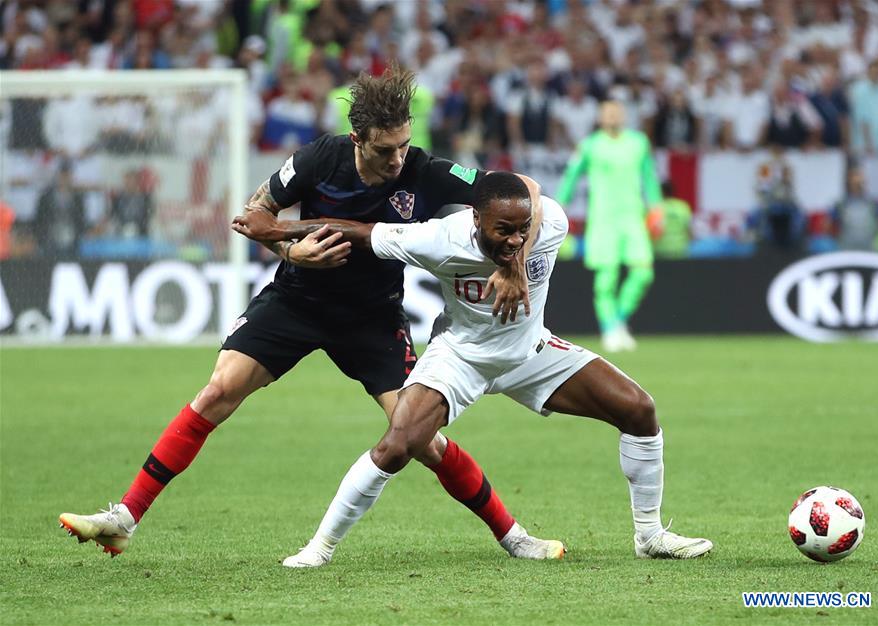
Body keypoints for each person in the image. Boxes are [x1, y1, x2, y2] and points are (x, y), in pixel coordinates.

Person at [59, 67, 562, 562]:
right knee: (217, 391)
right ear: (356, 139)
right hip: (298, 300)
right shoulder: (320, 159)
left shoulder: (424, 170)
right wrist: (289, 253)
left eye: (404, 145)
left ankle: (513, 536)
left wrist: (515, 265)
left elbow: (526, 191)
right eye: (385, 149)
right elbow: (254, 213)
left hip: (373, 317)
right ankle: (125, 518)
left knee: (421, 439)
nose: (397, 159)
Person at [231, 172, 712, 567]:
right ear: (474, 218)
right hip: (460, 356)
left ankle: (649, 535)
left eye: (522, 228)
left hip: (530, 353)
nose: (516, 237)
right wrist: (277, 230)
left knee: (639, 410)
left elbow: (535, 197)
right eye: (503, 229)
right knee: (398, 445)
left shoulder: (548, 226)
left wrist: (515, 263)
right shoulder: (439, 239)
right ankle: (319, 549)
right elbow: (357, 230)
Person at [556, 100, 663, 353]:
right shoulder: (590, 145)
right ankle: (610, 330)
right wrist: (559, 207)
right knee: (607, 278)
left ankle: (618, 322)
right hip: (603, 219)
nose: (613, 116)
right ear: (600, 117)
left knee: (643, 273)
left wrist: (657, 208)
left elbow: (649, 177)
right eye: (607, 112)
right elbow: (571, 177)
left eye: (617, 111)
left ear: (625, 115)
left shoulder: (638, 143)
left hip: (633, 218)